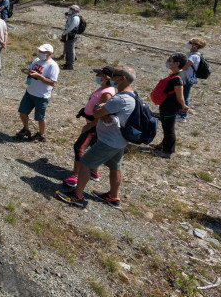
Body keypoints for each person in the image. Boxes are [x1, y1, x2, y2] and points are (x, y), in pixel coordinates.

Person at [57, 66, 137, 209]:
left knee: (86, 163)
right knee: (115, 167)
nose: (112, 78)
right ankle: (113, 197)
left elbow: (97, 113)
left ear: (122, 78)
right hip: (119, 141)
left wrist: (99, 108)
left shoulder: (120, 98)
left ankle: (77, 196)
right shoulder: (133, 95)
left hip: (109, 141)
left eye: (115, 75)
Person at [63, 67, 116, 188]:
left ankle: (76, 176)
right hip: (93, 124)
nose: (97, 76)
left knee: (79, 147)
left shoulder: (107, 93)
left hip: (94, 126)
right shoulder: (103, 87)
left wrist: (88, 127)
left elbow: (103, 113)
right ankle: (93, 172)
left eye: (99, 74)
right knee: (94, 147)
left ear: (106, 77)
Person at [16, 44, 60, 141]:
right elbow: (32, 71)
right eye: (40, 51)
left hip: (41, 96)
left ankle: (41, 134)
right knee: (22, 112)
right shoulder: (36, 60)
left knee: (40, 117)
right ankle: (26, 129)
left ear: (49, 53)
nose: (40, 53)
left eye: (43, 52)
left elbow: (52, 83)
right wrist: (27, 72)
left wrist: (39, 76)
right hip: (30, 92)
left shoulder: (53, 66)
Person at [152, 53, 189, 159]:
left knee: (169, 128)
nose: (168, 61)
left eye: (170, 60)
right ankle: (164, 144)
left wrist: (183, 105)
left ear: (177, 63)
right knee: (165, 126)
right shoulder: (177, 75)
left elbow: (180, 96)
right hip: (166, 105)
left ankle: (168, 151)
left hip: (170, 107)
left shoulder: (178, 78)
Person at [178, 37, 207, 122]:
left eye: (191, 42)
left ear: (196, 46)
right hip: (185, 78)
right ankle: (179, 113)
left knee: (184, 97)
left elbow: (185, 66)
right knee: (181, 95)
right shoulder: (190, 54)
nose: (189, 44)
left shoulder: (194, 56)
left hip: (188, 79)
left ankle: (183, 116)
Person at [60, 5, 80, 70]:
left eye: (72, 9)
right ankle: (67, 63)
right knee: (68, 50)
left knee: (70, 51)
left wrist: (64, 34)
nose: (70, 9)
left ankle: (70, 65)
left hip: (71, 36)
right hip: (68, 35)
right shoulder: (72, 16)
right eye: (70, 8)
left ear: (76, 11)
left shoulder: (75, 18)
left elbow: (70, 28)